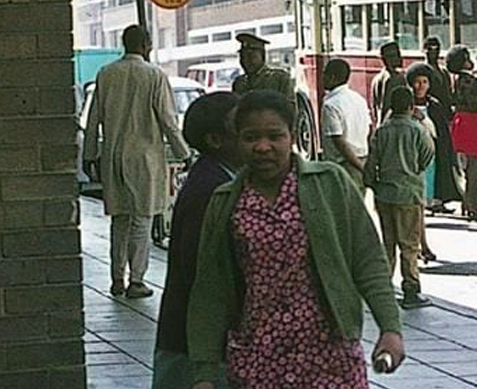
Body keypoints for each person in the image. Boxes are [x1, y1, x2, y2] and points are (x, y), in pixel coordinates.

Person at [187, 91, 405, 389]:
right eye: (251, 137)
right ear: (238, 141)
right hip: (258, 358)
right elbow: (211, 289)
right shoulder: (226, 201)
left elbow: (368, 261)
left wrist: (390, 328)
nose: (263, 147)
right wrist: (204, 372)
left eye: (275, 136)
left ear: (292, 136)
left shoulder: (330, 183)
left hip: (331, 354)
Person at [83, 25, 190, 299]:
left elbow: (93, 119)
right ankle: (137, 281)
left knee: (119, 219)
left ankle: (117, 278)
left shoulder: (106, 74)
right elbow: (168, 120)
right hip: (144, 158)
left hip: (113, 156)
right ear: (145, 45)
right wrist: (184, 153)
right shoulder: (154, 75)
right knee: (141, 219)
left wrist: (89, 154)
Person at [153, 92, 241, 389]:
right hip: (194, 345)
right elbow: (202, 273)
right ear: (216, 140)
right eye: (243, 127)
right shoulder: (210, 190)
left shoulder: (217, 179)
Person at [368, 86, 435, 309]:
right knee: (409, 244)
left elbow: (371, 163)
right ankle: (411, 290)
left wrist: (374, 183)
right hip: (409, 193)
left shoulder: (382, 131)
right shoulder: (417, 130)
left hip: (385, 194)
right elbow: (427, 154)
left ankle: (383, 290)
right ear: (411, 106)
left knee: (388, 243)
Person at [408, 62, 462, 215]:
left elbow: (439, 132)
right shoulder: (406, 104)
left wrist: (423, 118)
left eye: (424, 82)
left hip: (431, 150)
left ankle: (433, 200)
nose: (421, 86)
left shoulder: (433, 105)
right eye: (417, 82)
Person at [447, 46, 477, 220]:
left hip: (461, 120)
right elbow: (476, 100)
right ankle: (473, 204)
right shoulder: (469, 80)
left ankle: (467, 202)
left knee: (467, 167)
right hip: (471, 121)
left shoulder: (458, 79)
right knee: (475, 164)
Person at [322, 59, 372, 189]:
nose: (322, 78)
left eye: (324, 74)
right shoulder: (359, 99)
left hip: (343, 165)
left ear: (332, 78)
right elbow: (370, 129)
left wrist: (359, 167)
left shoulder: (330, 105)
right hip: (362, 158)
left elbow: (340, 143)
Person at [231, 33, 295, 114]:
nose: (246, 61)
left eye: (251, 57)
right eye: (242, 57)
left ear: (262, 57)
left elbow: (291, 111)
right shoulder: (239, 83)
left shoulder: (279, 78)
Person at [370, 42, 408, 126]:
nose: (400, 58)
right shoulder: (396, 79)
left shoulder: (377, 78)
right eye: (397, 55)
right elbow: (388, 106)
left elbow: (374, 106)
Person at [422, 37, 454, 111]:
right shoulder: (422, 71)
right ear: (424, 50)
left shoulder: (444, 72)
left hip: (444, 111)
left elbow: (448, 93)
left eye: (436, 49)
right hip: (430, 110)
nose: (433, 52)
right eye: (430, 49)